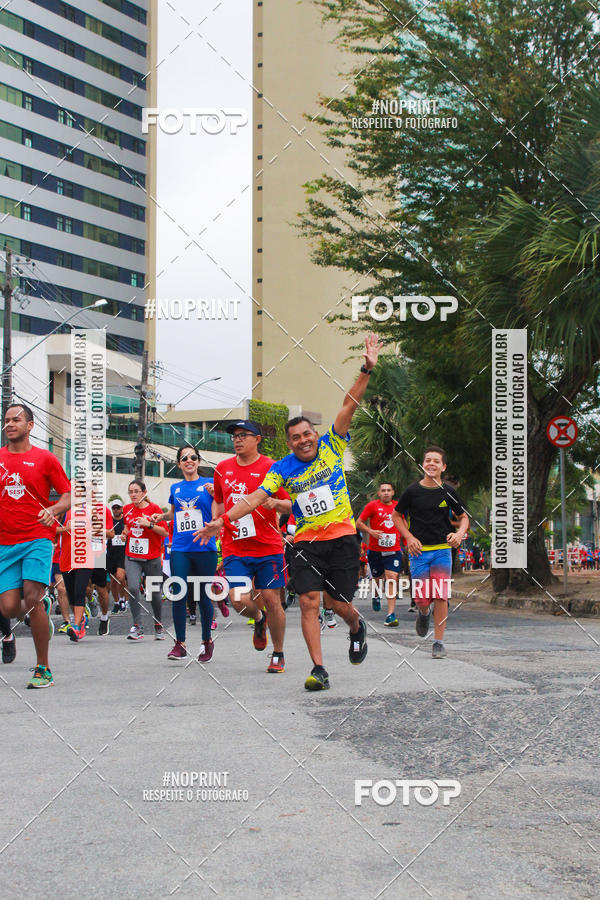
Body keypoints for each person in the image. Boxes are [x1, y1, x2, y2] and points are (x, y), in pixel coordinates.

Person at [196, 333, 382, 691]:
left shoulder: (332, 444)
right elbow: (254, 497)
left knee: (337, 603)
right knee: (310, 602)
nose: (303, 440)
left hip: (342, 537)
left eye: (307, 434)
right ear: (289, 443)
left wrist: (366, 369)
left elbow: (349, 406)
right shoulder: (281, 468)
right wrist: (222, 520)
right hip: (306, 543)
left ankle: (356, 626)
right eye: (296, 437)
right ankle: (319, 669)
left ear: (315, 434)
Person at [204, 420, 291, 673]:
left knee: (272, 599)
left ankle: (278, 653)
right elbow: (219, 501)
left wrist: (275, 503)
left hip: (267, 546)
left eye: (243, 435)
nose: (237, 440)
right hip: (235, 547)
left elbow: (290, 504)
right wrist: (216, 520)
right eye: (234, 436)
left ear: (257, 439)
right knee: (238, 599)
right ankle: (259, 619)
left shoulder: (272, 467)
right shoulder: (222, 469)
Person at [0, 403, 70, 687]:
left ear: (30, 425)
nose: (9, 424)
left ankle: (43, 668)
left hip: (37, 537)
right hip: (5, 542)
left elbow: (68, 495)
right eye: (6, 420)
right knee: (7, 608)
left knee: (32, 597)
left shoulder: (45, 459)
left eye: (16, 420)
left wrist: (53, 510)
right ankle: (39, 609)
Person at [393, 446, 469, 659]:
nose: (431, 464)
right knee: (422, 599)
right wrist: (409, 537)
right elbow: (396, 516)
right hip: (418, 552)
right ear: (423, 464)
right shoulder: (412, 491)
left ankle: (438, 642)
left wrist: (459, 534)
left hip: (442, 550)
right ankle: (424, 612)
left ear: (443, 467)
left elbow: (464, 517)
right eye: (428, 460)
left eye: (436, 461)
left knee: (440, 596)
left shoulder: (449, 492)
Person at [150, 446, 218, 662]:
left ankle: (207, 641)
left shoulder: (209, 485)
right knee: (178, 592)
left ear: (198, 461)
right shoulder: (176, 487)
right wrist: (160, 517)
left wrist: (216, 495)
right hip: (180, 548)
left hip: (204, 547)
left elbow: (221, 513)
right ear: (179, 464)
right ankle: (180, 644)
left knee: (202, 595)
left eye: (193, 457)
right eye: (184, 458)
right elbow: (173, 513)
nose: (189, 460)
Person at [60, 501, 114, 641]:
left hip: (95, 554)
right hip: (72, 556)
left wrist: (95, 531)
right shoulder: (65, 509)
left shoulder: (100, 510)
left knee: (99, 589)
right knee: (76, 591)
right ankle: (82, 618)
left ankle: (103, 617)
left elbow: (110, 533)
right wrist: (66, 528)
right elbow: (53, 530)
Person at [123, 480, 168, 640]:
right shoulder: (127, 509)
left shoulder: (154, 509)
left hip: (152, 557)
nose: (133, 495)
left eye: (136, 491)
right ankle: (137, 626)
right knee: (133, 588)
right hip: (132, 555)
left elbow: (165, 532)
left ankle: (158, 625)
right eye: (130, 492)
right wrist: (124, 534)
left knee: (155, 593)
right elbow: (127, 527)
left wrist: (148, 524)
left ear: (144, 492)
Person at [357, 482, 403, 626]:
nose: (386, 493)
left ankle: (391, 615)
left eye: (388, 490)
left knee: (392, 578)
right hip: (375, 551)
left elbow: (404, 523)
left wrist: (405, 535)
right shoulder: (372, 506)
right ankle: (376, 596)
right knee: (377, 579)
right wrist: (370, 531)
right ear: (379, 493)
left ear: (393, 492)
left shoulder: (399, 506)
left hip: (393, 550)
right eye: (383, 490)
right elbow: (359, 522)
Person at [107, 500, 127, 613]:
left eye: (118, 508)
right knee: (113, 580)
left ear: (121, 508)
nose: (116, 510)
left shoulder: (125, 520)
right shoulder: (109, 520)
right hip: (111, 553)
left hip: (123, 553)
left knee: (121, 577)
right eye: (114, 508)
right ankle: (116, 602)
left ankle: (123, 600)